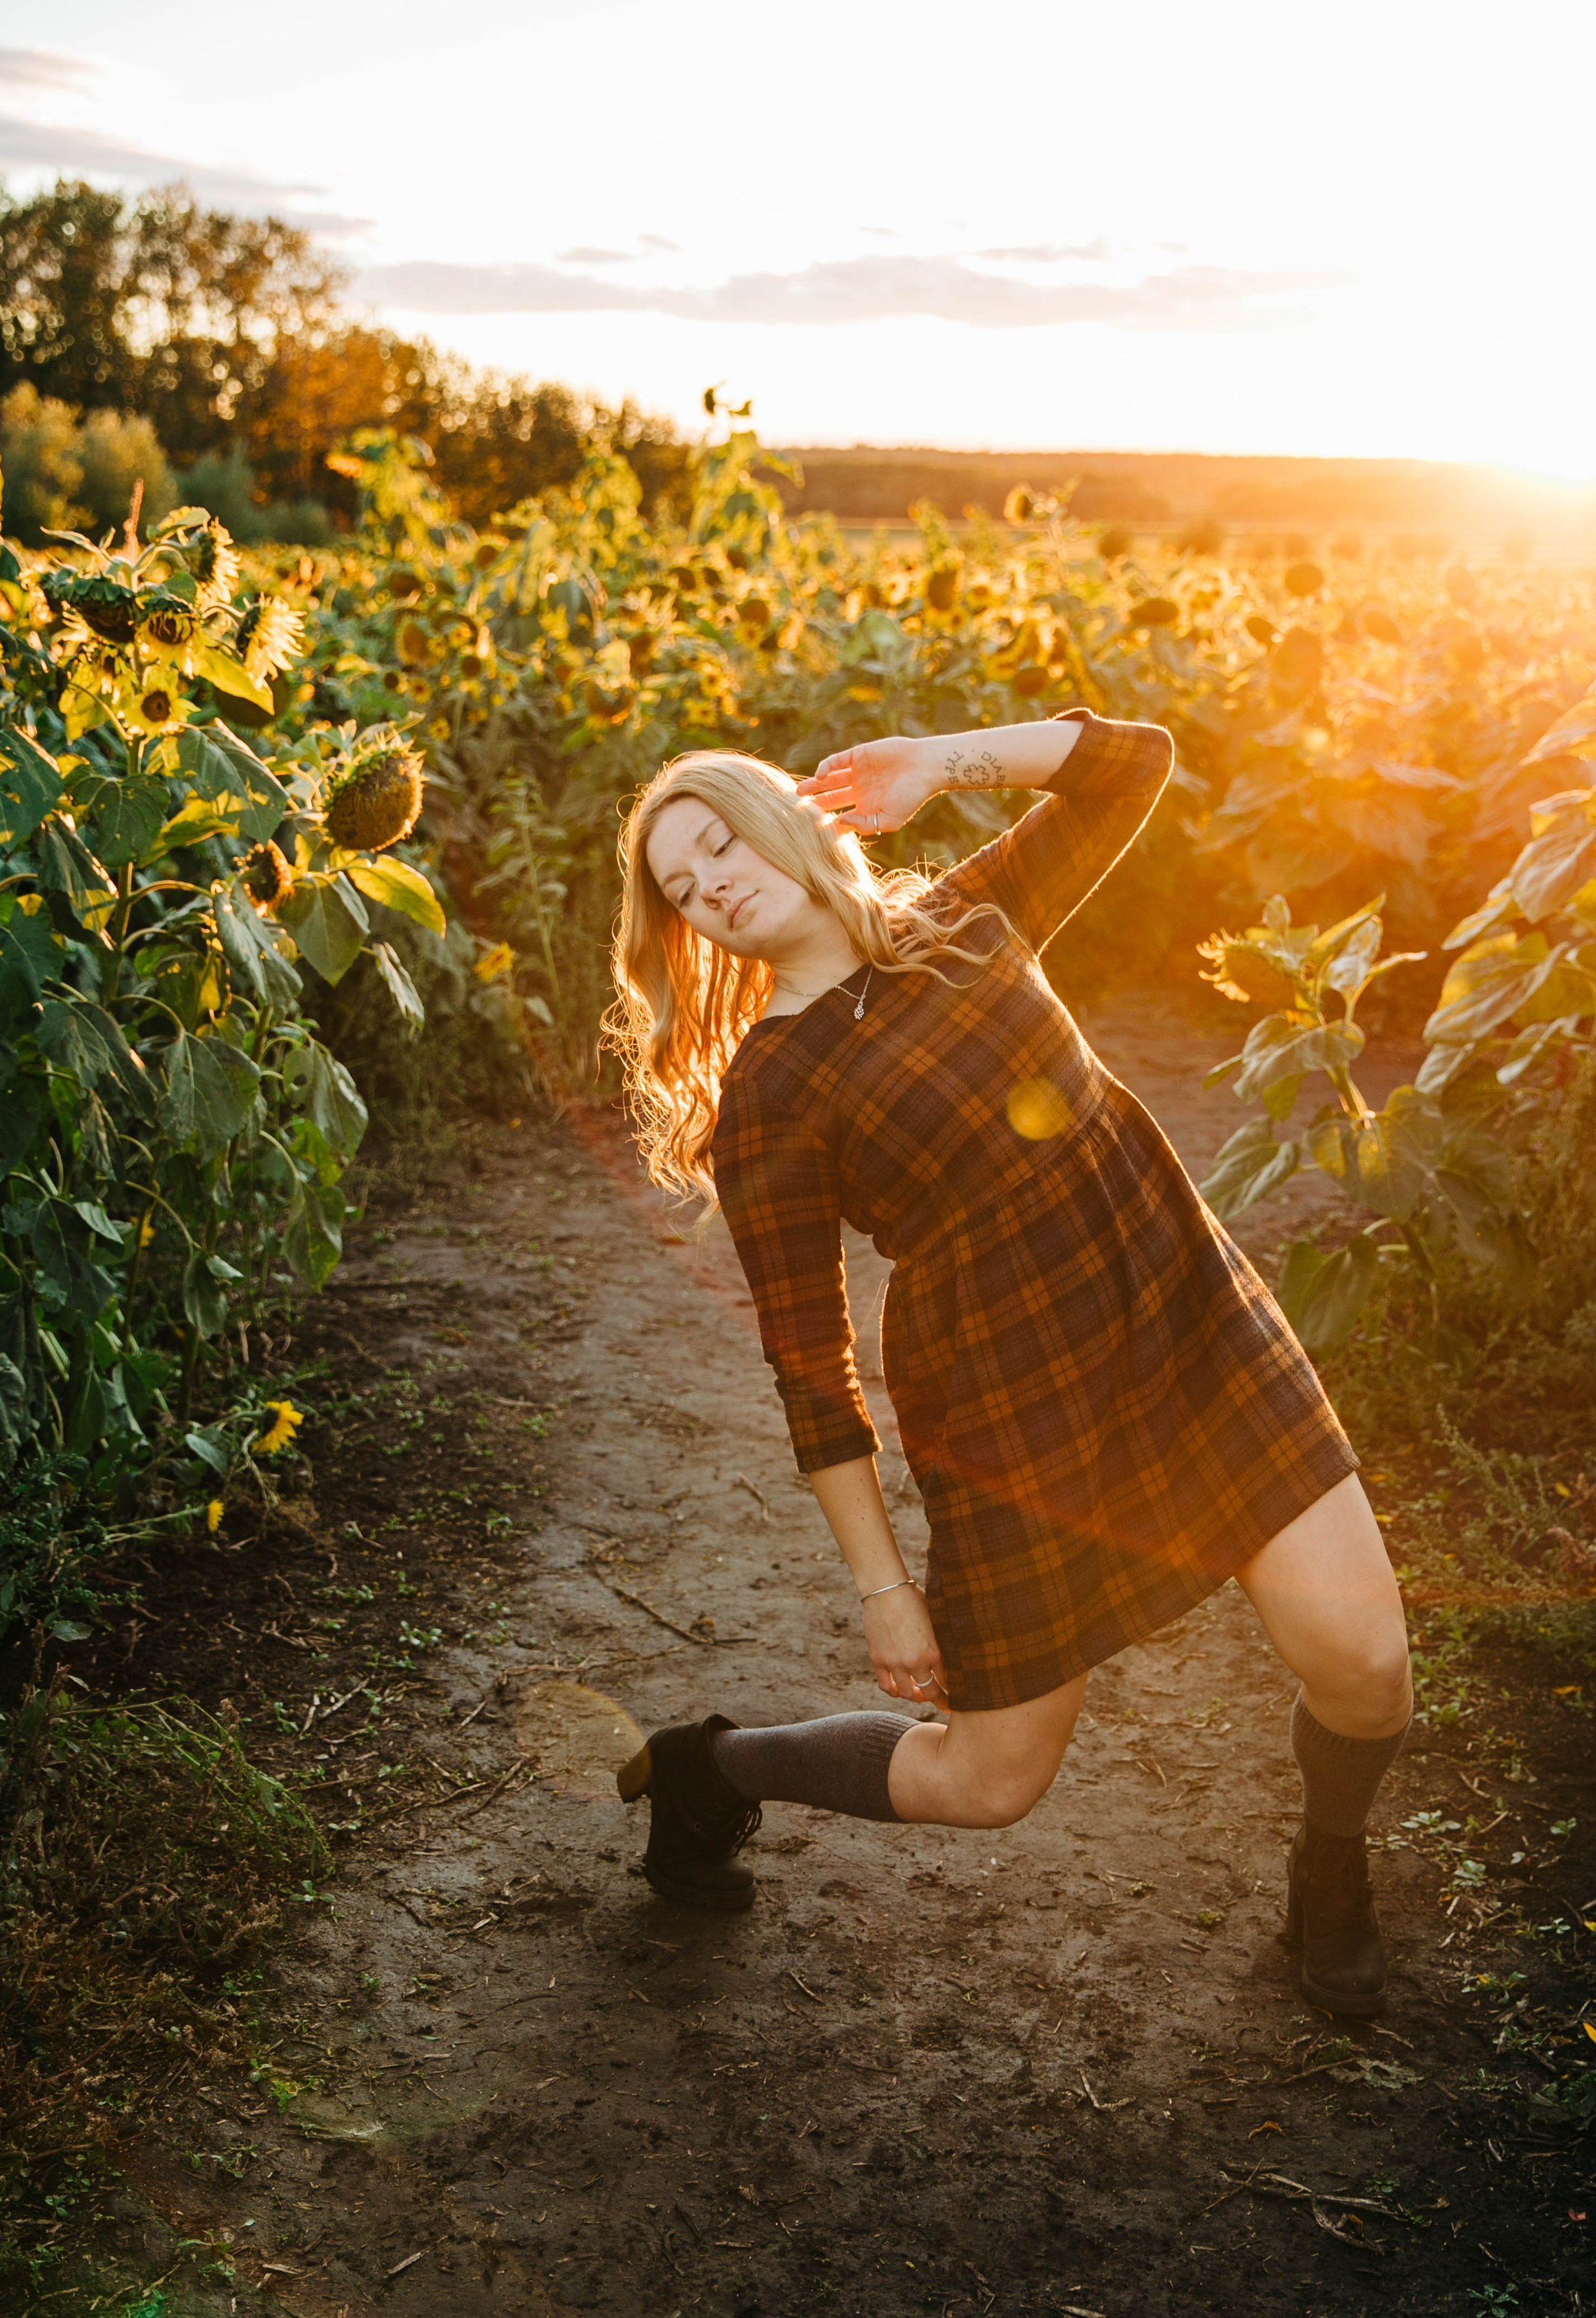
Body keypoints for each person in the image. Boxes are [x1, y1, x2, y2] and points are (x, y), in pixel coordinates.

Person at [602, 709, 1412, 2016]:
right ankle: (715, 1771)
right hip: (1010, 1403)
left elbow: (1135, 760)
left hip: (1184, 1317)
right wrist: (882, 1592)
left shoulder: (969, 917)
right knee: (988, 1782)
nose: (714, 891)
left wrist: (941, 762)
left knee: (1367, 1664)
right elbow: (808, 1366)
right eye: (687, 894)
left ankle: (1331, 1864)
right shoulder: (775, 1091)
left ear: (787, 817)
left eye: (719, 847)